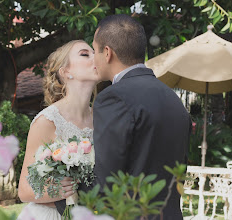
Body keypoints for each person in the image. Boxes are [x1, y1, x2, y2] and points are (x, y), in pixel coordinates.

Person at [56, 14, 191, 219]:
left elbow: (105, 185)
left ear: (108, 53)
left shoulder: (113, 98)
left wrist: (66, 193)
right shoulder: (173, 100)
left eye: (95, 51)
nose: (94, 59)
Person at [17, 40, 99, 220]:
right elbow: (24, 190)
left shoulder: (102, 118)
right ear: (66, 72)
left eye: (96, 52)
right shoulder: (47, 121)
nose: (96, 57)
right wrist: (58, 191)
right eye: (85, 54)